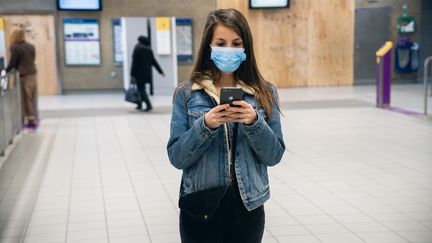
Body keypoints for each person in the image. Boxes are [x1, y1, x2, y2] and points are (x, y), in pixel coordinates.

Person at [167, 8, 285, 243]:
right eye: (221, 43)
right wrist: (206, 125)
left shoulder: (264, 93)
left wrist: (254, 122)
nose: (229, 50)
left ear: (245, 48)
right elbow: (177, 157)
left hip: (248, 207)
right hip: (200, 207)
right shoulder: (188, 93)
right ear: (209, 46)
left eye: (236, 43)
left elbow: (274, 155)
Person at [6, 29, 38, 128]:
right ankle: (32, 118)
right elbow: (32, 59)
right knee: (31, 97)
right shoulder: (31, 46)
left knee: (24, 98)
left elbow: (12, 63)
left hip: (24, 76)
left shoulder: (16, 48)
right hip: (33, 74)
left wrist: (6, 71)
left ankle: (27, 120)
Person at [130, 36, 164, 111]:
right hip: (146, 74)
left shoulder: (137, 49)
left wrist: (132, 74)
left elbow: (134, 63)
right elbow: (154, 62)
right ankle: (139, 105)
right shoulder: (149, 50)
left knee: (141, 89)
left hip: (138, 74)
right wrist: (160, 71)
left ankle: (148, 105)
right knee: (141, 89)